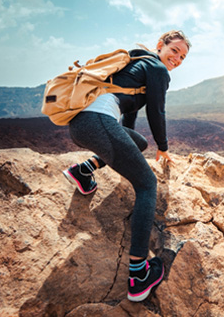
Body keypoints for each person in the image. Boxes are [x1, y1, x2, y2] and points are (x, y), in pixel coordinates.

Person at [62, 30, 191, 302]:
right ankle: (138, 275)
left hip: (81, 124)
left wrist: (131, 147)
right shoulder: (156, 68)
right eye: (175, 50)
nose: (177, 58)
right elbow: (157, 110)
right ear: (161, 45)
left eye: (182, 56)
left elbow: (129, 119)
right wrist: (164, 147)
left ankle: (82, 171)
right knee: (147, 185)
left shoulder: (137, 64)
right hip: (97, 121)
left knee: (138, 143)